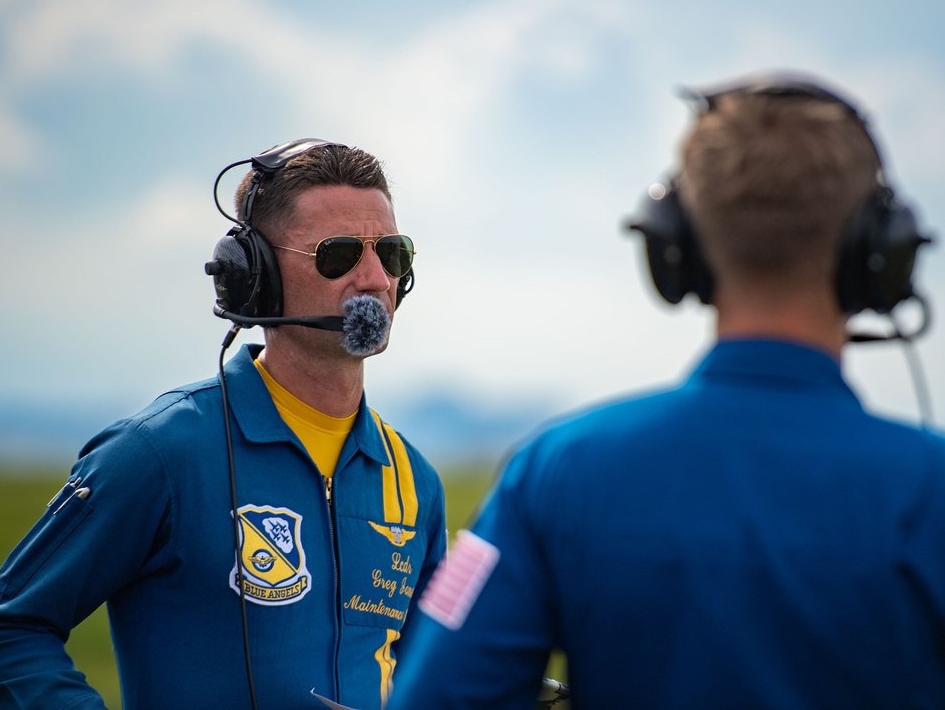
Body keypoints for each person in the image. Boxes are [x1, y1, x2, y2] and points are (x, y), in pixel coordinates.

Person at [386, 74, 945, 709]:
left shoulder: (553, 473)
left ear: (674, 247)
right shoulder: (932, 486)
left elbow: (436, 697)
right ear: (881, 250)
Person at [0, 140, 448, 710]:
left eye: (391, 253)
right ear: (254, 275)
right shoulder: (159, 452)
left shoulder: (414, 482)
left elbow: (429, 667)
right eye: (337, 255)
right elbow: (6, 631)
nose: (374, 279)